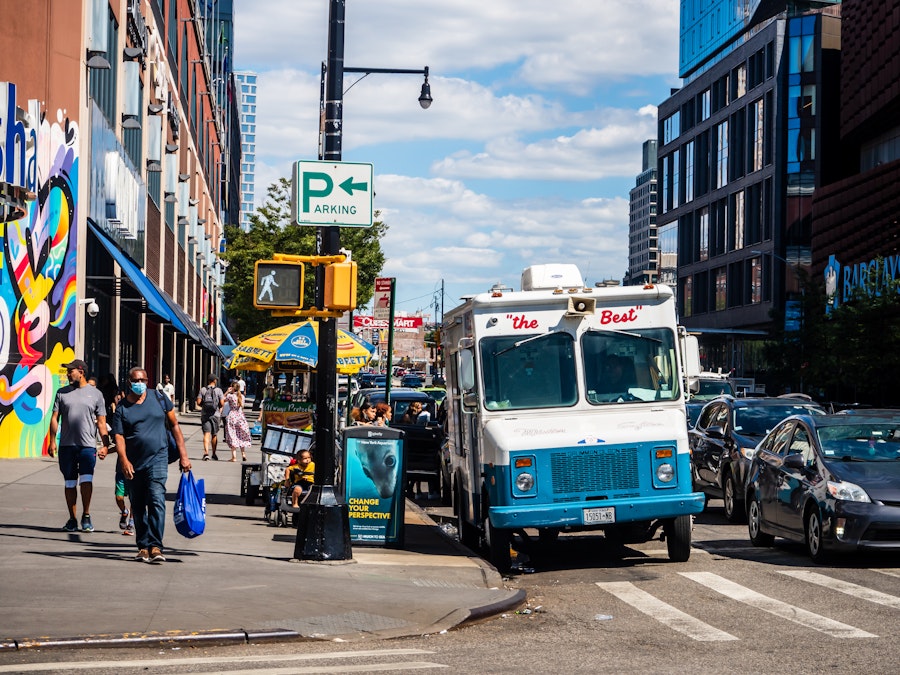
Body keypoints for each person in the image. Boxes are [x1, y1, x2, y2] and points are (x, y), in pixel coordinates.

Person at [112, 366, 190, 563]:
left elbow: (175, 426)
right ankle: (143, 546)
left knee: (156, 499)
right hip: (134, 463)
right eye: (136, 381)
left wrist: (184, 456)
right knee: (137, 506)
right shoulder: (122, 408)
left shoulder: (159, 398)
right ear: (129, 382)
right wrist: (124, 459)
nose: (140, 384)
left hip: (158, 458)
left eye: (144, 380)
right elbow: (119, 437)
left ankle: (156, 545)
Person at [48, 359, 110, 533]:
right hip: (67, 446)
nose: (68, 374)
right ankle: (72, 519)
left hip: (87, 446)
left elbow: (102, 422)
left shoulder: (96, 394)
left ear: (81, 371)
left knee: (86, 480)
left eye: (70, 371)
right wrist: (52, 441)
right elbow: (55, 418)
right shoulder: (62, 393)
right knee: (69, 483)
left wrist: (105, 445)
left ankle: (87, 516)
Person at [98, 373, 134, 535]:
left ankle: (132, 522)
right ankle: (124, 511)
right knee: (119, 497)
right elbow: (118, 446)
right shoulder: (120, 429)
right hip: (120, 467)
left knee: (134, 496)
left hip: (136, 466)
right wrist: (106, 450)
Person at [196, 374, 224, 460]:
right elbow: (222, 403)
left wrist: (204, 406)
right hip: (215, 415)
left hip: (205, 414)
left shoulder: (203, 389)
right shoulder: (219, 390)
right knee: (214, 434)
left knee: (206, 434)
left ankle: (206, 453)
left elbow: (198, 402)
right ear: (214, 381)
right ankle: (214, 453)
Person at [224, 381, 251, 461]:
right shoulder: (242, 396)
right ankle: (243, 454)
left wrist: (227, 392)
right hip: (240, 416)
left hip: (232, 416)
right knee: (241, 435)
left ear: (232, 388)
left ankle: (234, 457)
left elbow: (222, 399)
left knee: (232, 435)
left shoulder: (230, 396)